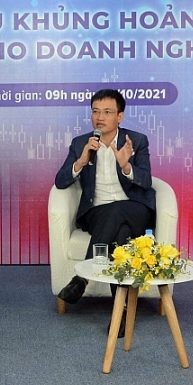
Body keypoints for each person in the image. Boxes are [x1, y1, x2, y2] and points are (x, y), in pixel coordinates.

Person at [54, 89, 156, 333]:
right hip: (97, 212)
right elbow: (60, 181)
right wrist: (81, 161)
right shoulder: (81, 143)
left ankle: (82, 278)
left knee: (118, 211)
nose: (100, 117)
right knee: (120, 233)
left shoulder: (136, 140)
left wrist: (126, 165)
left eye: (107, 112)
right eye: (96, 112)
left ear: (120, 116)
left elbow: (146, 181)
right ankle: (121, 313)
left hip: (135, 209)